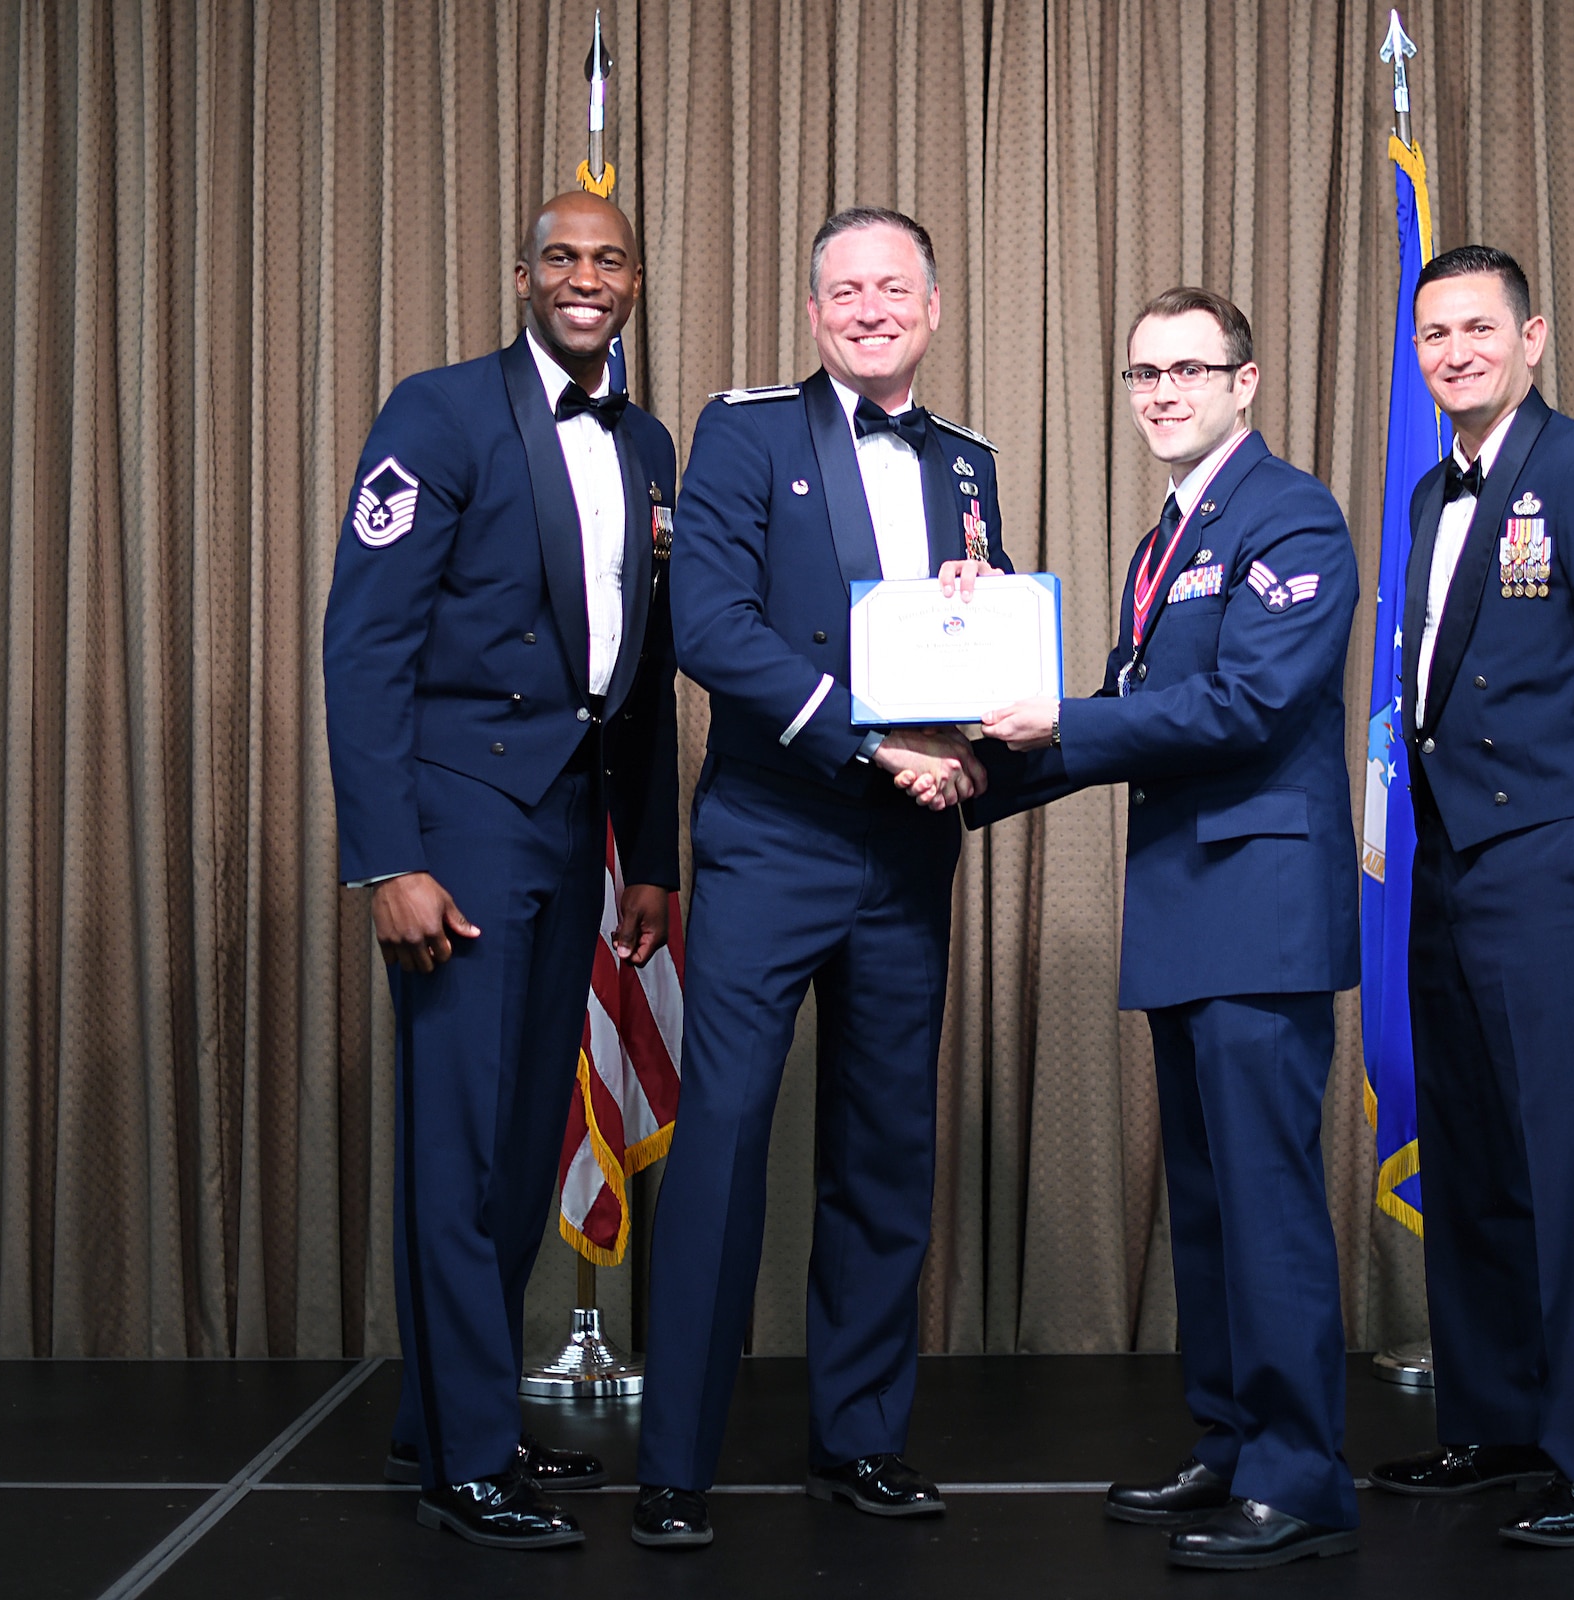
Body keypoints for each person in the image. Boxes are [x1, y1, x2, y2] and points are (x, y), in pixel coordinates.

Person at [967, 287, 1363, 1572]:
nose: (1162, 393)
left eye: (1188, 369)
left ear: (1246, 382)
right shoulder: (1164, 537)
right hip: (1190, 909)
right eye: (1142, 373)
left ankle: (1299, 1479)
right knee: (1205, 1205)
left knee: (1267, 1204)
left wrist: (1050, 728)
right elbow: (1129, 704)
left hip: (1258, 911)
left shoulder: (1289, 513)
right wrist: (964, 767)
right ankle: (1232, 1440)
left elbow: (1245, 703)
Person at [631, 207, 1006, 1551]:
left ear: (933, 306)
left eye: (891, 288)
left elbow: (982, 623)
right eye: (843, 290)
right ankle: (673, 1459)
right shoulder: (743, 430)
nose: (867, 308)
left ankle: (861, 1438)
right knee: (724, 1139)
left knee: (885, 1148)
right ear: (812, 313)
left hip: (908, 849)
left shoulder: (968, 462)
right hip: (775, 834)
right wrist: (869, 734)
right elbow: (707, 625)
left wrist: (982, 640)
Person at [322, 192, 679, 1550]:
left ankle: (446, 1411)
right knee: (460, 1142)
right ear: (521, 273)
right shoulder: (439, 411)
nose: (585, 278)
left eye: (609, 259)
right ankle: (468, 1457)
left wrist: (650, 856)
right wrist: (387, 861)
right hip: (460, 823)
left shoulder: (646, 440)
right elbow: (362, 648)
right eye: (561, 258)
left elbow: (643, 675)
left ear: (634, 280)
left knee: (529, 1137)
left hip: (572, 826)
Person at [1367, 245, 1574, 1546]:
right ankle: (1499, 1422)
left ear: (1533, 338)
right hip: (1453, 866)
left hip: (1565, 855)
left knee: (1570, 1154)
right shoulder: (1424, 498)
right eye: (1433, 334)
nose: (1454, 351)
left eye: (1477, 329)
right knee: (1474, 1154)